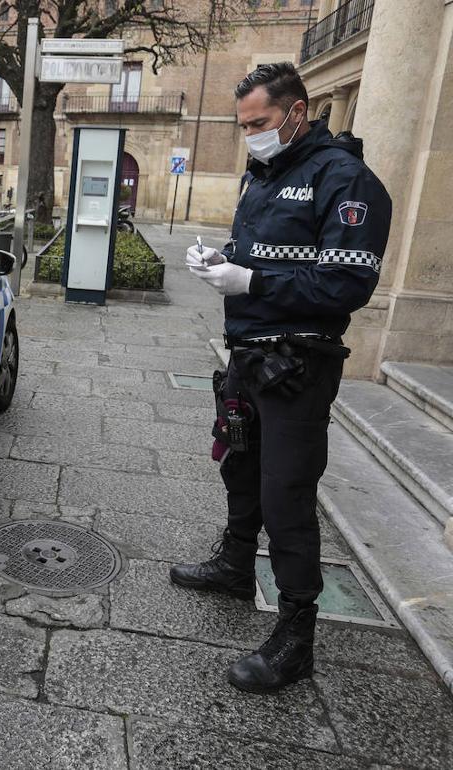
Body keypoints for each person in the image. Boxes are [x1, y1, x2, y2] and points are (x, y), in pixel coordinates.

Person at [173, 62, 391, 693]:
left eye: (260, 123)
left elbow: (347, 283)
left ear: (298, 112)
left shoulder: (346, 179)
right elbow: (264, 252)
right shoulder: (265, 175)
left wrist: (253, 281)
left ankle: (297, 635)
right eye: (243, 126)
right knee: (238, 465)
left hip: (298, 363)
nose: (252, 136)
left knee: (286, 495)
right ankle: (236, 565)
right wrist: (223, 259)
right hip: (248, 353)